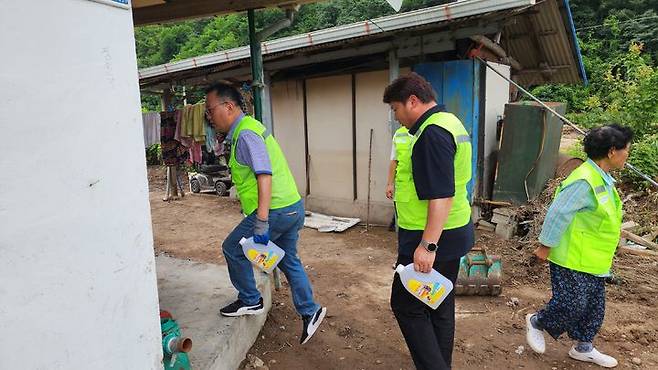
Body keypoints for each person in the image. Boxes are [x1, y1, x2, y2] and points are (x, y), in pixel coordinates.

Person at [205, 82, 326, 345]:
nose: (209, 117)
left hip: (275, 211)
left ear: (228, 106)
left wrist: (261, 220)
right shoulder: (247, 130)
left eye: (210, 110)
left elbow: (264, 174)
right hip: (291, 206)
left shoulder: (246, 133)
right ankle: (310, 310)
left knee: (232, 249)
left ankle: (250, 300)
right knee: (288, 260)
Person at [382, 72, 475, 370]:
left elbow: (440, 195)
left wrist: (427, 245)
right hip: (454, 228)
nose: (397, 117)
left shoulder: (430, 133)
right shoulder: (450, 122)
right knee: (439, 302)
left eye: (396, 109)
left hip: (433, 234)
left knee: (406, 306)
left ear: (412, 101)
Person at [526, 124, 633, 368]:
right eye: (626, 149)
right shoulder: (583, 180)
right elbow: (558, 214)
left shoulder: (603, 179)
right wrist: (545, 246)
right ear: (611, 152)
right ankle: (537, 322)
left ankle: (583, 347)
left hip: (594, 259)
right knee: (571, 304)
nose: (628, 154)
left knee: (594, 308)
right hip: (572, 257)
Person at [386, 125, 412, 231]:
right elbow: (394, 160)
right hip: (403, 193)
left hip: (422, 193)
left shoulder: (428, 130)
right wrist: (390, 184)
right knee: (404, 228)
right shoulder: (399, 133)